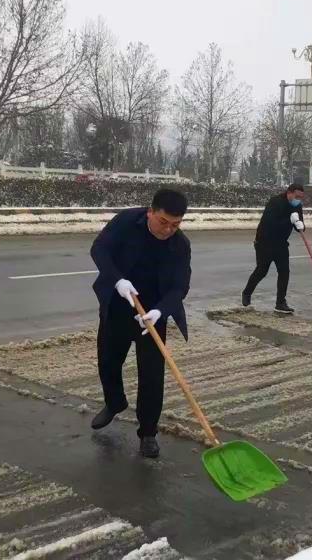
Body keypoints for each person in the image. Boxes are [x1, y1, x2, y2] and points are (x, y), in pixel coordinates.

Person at [89, 188, 191, 459]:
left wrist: (160, 312)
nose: (168, 229)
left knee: (152, 376)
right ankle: (114, 402)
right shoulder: (126, 222)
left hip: (152, 316)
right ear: (150, 212)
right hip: (118, 305)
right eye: (163, 222)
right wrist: (116, 279)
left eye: (175, 224)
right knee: (108, 361)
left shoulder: (180, 245)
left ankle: (148, 432)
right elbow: (99, 249)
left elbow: (180, 286)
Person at [242, 183, 305, 314]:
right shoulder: (275, 202)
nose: (298, 200)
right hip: (265, 242)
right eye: (297, 196)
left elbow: (299, 225)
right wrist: (290, 220)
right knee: (261, 271)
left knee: (284, 272)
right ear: (289, 192)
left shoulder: (297, 206)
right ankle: (247, 293)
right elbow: (271, 224)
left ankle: (280, 303)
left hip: (281, 243)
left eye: (301, 197)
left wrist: (300, 225)